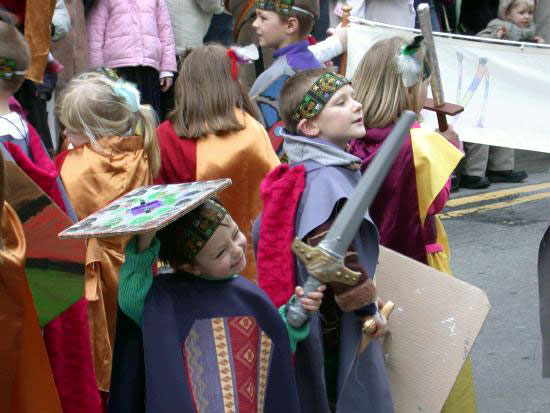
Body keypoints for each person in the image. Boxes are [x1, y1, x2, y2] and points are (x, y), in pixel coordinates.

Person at [349, 36, 476, 412]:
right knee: (436, 368)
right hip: (421, 263)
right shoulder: (420, 143)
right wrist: (449, 150)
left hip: (368, 266)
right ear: (408, 87)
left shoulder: (352, 139)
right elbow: (433, 201)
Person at [254, 68, 392, 412]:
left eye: (354, 97)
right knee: (339, 395)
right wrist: (367, 311)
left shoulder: (314, 166)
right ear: (310, 127)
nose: (356, 106)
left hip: (326, 319)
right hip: (333, 327)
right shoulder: (326, 175)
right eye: (340, 103)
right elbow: (328, 248)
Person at [109, 198, 325, 412]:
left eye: (235, 234)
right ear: (190, 267)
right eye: (220, 253)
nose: (237, 249)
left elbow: (273, 345)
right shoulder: (167, 302)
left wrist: (297, 313)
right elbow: (131, 300)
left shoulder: (249, 297)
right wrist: (144, 241)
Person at [56, 71, 160, 394]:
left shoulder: (70, 165)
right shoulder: (140, 151)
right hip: (136, 270)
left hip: (92, 276)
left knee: (97, 355)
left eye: (69, 128)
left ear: (90, 130)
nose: (63, 133)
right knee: (135, 351)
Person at [156, 44, 280, 282]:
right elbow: (275, 190)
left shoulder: (164, 135)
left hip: (193, 263)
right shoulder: (250, 129)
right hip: (249, 254)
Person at [459, 0, 539, 189]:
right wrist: (496, 36)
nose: (527, 16)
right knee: (482, 128)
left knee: (505, 125)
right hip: (487, 86)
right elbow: (480, 40)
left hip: (506, 88)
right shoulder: (499, 26)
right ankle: (474, 172)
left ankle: (501, 168)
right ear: (508, 14)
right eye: (522, 12)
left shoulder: (529, 34)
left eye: (530, 13)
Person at [249, 0, 325, 153]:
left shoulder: (273, 79)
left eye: (263, 18)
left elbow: (256, 142)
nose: (255, 24)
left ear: (290, 25)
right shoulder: (322, 70)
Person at [86, 0, 177, 116]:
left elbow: (165, 31)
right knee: (122, 115)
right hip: (117, 72)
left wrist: (166, 69)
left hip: (149, 69)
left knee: (150, 115)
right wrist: (97, 71)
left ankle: (149, 134)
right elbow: (94, 35)